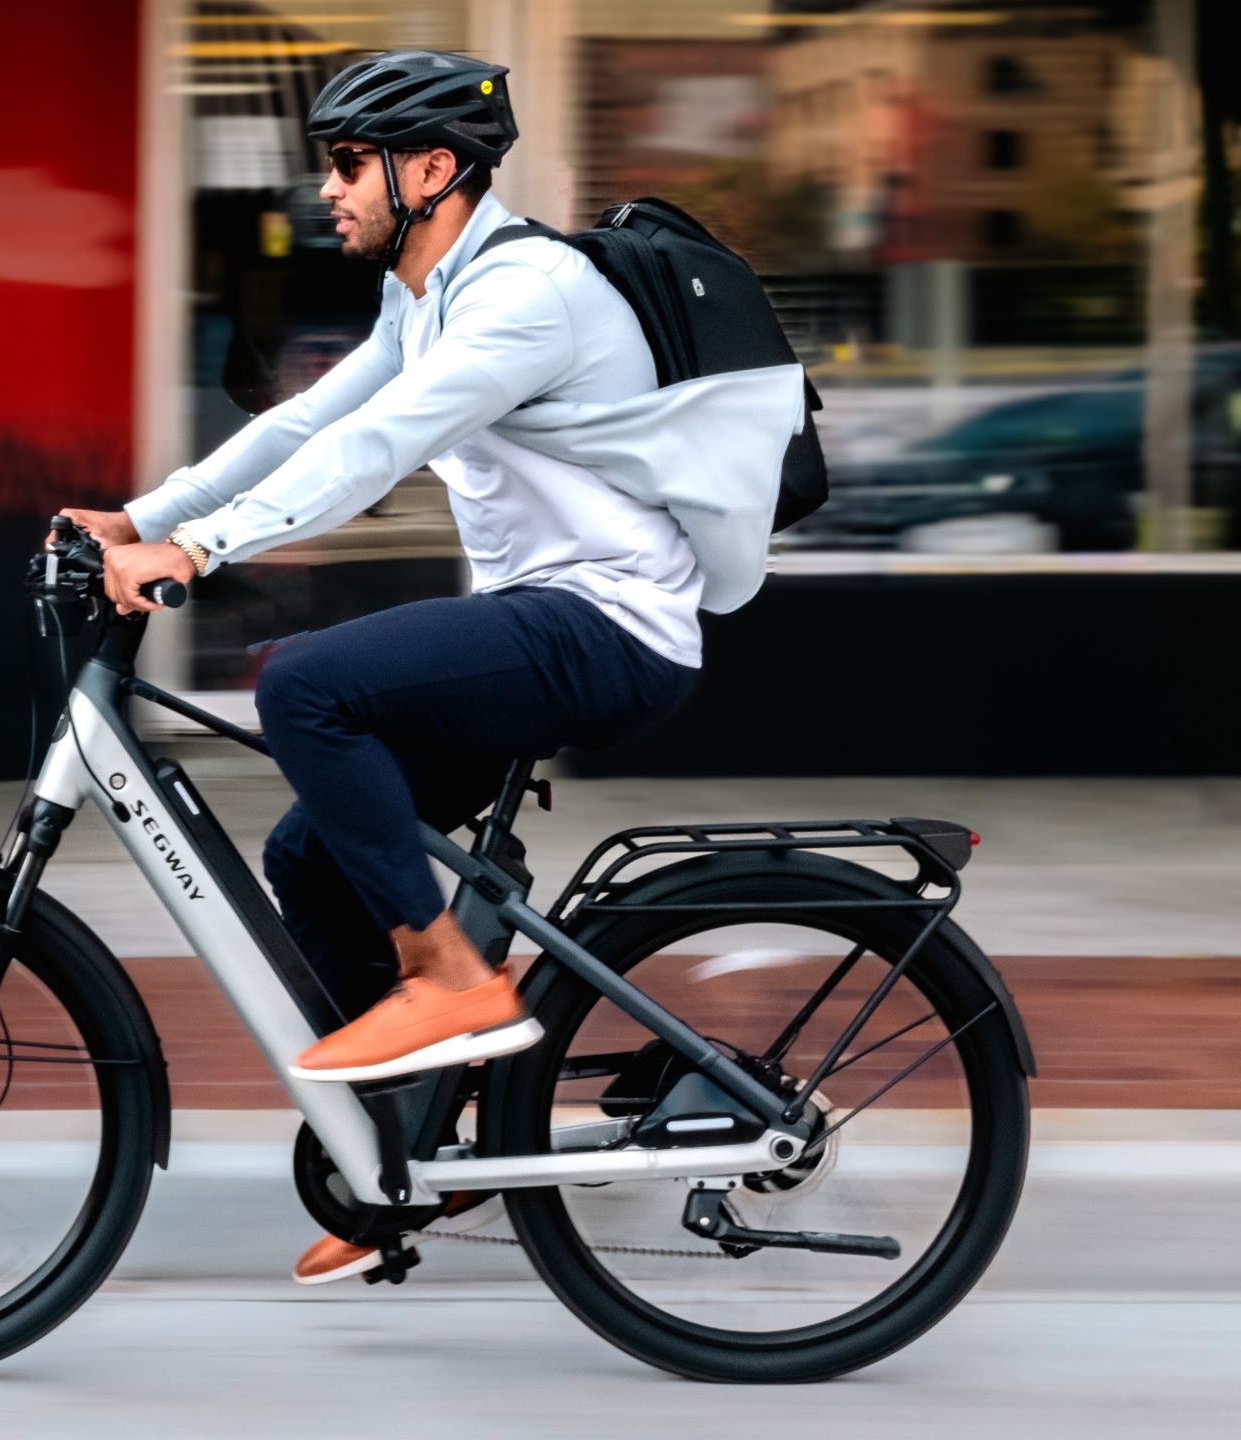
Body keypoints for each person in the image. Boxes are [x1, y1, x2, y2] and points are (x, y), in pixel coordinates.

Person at [52, 50, 805, 1284]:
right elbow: (311, 422)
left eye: (352, 165)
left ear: (434, 169)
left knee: (305, 688)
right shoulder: (431, 295)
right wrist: (143, 518)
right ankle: (411, 1144)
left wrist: (200, 549)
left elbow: (381, 449)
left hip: (608, 628)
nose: (329, 190)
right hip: (545, 620)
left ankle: (447, 975)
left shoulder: (530, 294)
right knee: (312, 851)